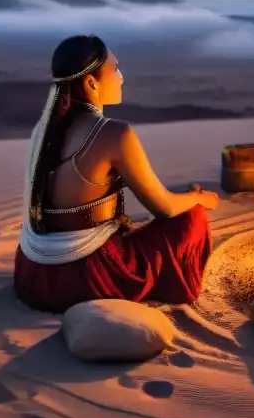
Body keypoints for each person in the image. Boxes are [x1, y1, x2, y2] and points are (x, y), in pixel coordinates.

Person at [14, 34, 219, 313]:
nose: (121, 77)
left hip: (33, 275)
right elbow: (166, 208)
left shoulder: (42, 130)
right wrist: (200, 198)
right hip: (86, 279)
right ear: (91, 83)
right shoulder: (114, 133)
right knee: (193, 218)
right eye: (115, 69)